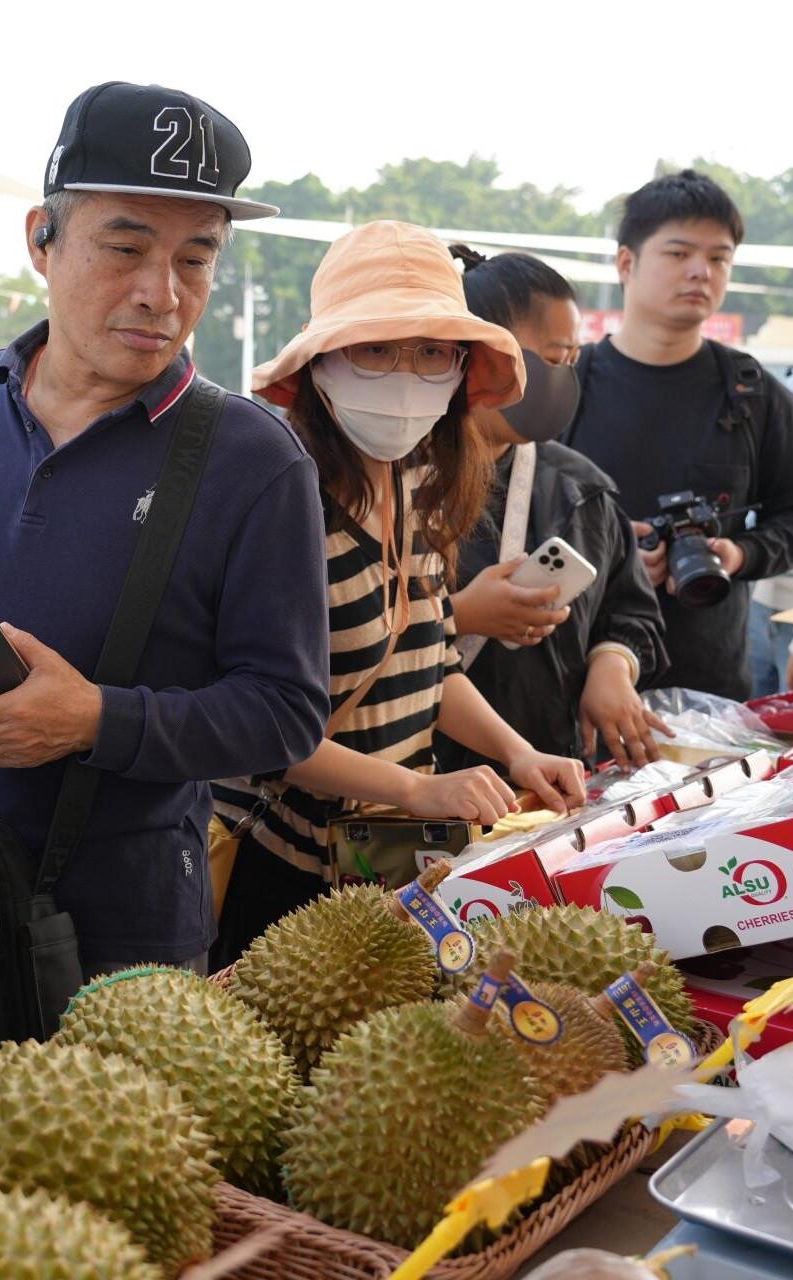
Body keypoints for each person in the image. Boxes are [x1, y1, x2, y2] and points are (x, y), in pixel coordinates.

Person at [0, 82, 330, 976]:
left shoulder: (255, 459)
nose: (161, 293)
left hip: (127, 946)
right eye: (125, 248)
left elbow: (286, 712)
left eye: (195, 258)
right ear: (40, 239)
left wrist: (95, 719)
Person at [211, 222, 587, 967]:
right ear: (321, 364)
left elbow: (433, 665)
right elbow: (262, 728)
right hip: (288, 874)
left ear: (460, 369)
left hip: (387, 863)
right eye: (375, 350)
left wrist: (518, 755)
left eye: (430, 352)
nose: (405, 374)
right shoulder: (282, 500)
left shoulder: (416, 482)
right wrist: (419, 792)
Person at [436, 248, 670, 773]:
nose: (565, 378)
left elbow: (630, 612)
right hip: (417, 784)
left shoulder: (581, 489)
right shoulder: (401, 483)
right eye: (553, 358)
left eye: (571, 360)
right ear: (478, 353)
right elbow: (341, 633)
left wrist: (612, 665)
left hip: (550, 775)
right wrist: (460, 615)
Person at [563, 170, 793, 701]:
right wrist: (610, 554)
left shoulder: (752, 394)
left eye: (719, 258)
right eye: (679, 253)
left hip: (708, 699)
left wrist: (738, 554)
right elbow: (510, 519)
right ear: (627, 263)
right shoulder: (567, 385)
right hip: (571, 685)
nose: (701, 272)